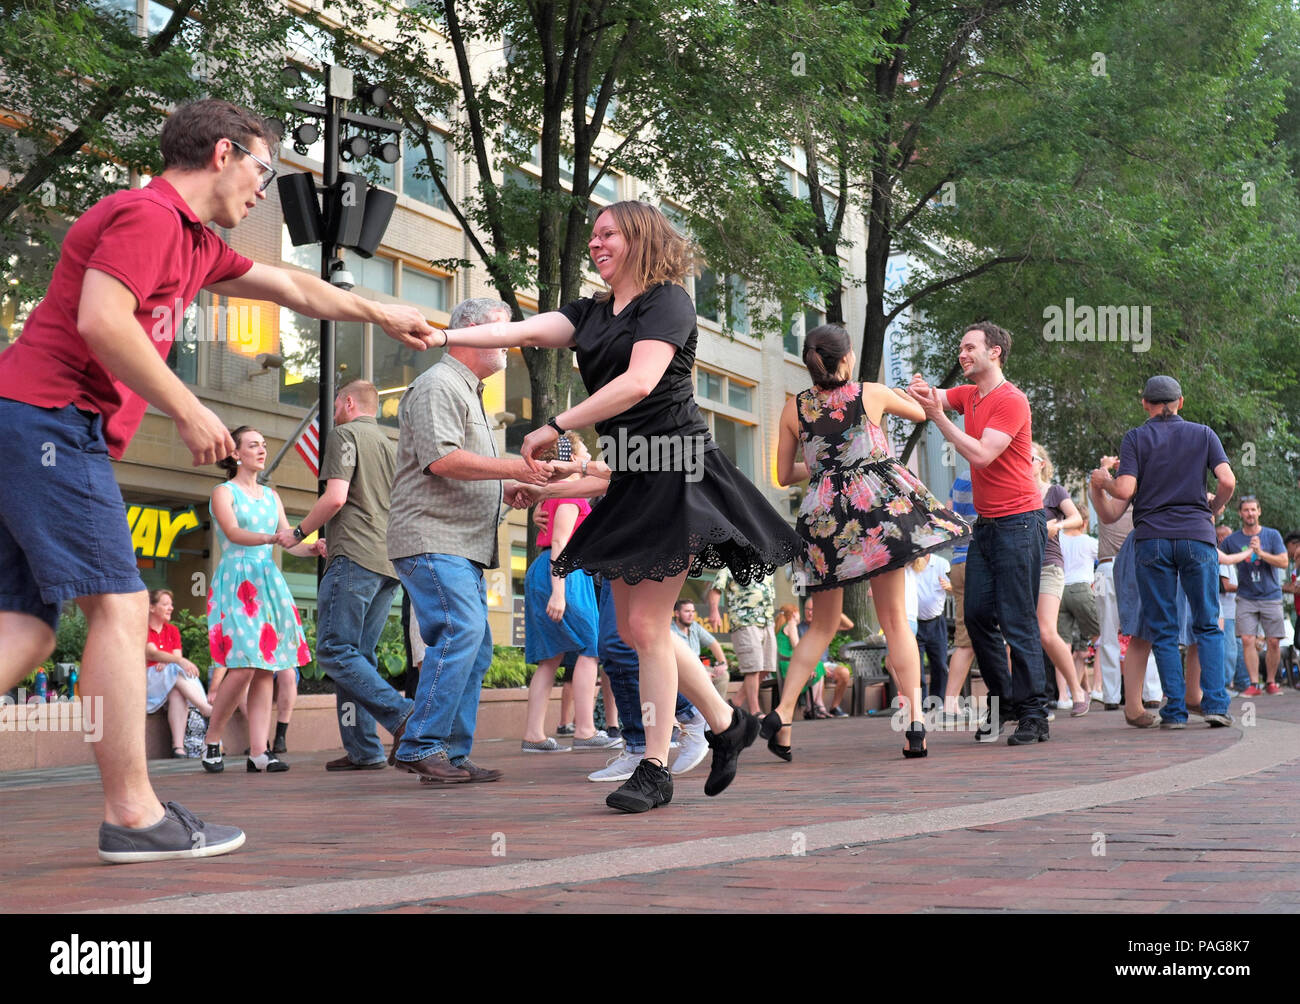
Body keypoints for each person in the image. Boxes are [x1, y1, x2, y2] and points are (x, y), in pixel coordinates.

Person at [0, 99, 435, 862]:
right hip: (52, 420)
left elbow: (297, 289)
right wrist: (190, 408)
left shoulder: (197, 242)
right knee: (124, 605)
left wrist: (383, 313)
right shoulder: (150, 217)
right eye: (263, 171)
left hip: (25, 421)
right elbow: (105, 320)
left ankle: (133, 813)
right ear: (224, 153)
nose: (265, 190)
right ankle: (132, 816)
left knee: (27, 629)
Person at [451, 200, 801, 813]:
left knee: (644, 627)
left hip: (675, 468)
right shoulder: (588, 313)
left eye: (607, 232)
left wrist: (554, 423)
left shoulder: (667, 302)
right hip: (630, 474)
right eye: (592, 235)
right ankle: (727, 722)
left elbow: (640, 383)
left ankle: (655, 765)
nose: (596, 243)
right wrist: (445, 334)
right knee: (644, 628)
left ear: (638, 238)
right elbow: (523, 330)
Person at [768, 323, 969, 761]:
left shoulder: (792, 409)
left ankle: (782, 713)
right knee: (896, 621)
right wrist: (917, 389)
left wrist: (825, 465)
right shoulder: (870, 393)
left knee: (821, 626)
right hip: (876, 513)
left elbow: (784, 476)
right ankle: (915, 723)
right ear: (846, 358)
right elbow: (923, 413)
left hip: (823, 517)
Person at [386, 298, 545, 785]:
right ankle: (420, 744)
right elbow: (442, 461)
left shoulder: (466, 390)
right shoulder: (438, 384)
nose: (510, 340)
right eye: (502, 329)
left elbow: (463, 465)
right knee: (462, 633)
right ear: (470, 330)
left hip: (460, 543)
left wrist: (505, 488)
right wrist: (516, 468)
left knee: (473, 647)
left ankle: (450, 755)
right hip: (434, 537)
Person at [908, 322, 1050, 746]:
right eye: (960, 347)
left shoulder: (1011, 400)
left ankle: (1034, 715)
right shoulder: (969, 395)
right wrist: (914, 391)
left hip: (1021, 522)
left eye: (970, 347)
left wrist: (937, 418)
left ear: (995, 353)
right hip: (987, 526)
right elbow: (929, 400)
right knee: (975, 617)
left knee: (1017, 619)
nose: (962, 354)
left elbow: (983, 454)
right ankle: (1005, 699)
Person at [1091, 375, 1236, 728]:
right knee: (1207, 624)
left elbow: (1124, 489)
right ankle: (1216, 705)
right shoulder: (1203, 434)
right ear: (1181, 402)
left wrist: (1102, 481)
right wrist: (1212, 508)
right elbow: (1228, 481)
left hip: (1152, 539)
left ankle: (1174, 713)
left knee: (1164, 628)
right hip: (1198, 537)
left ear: (1145, 404)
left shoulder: (1136, 438)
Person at [286, 378, 415, 772]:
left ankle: (403, 713)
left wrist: (296, 533)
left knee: (333, 649)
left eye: (337, 405)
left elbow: (336, 496)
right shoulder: (390, 446)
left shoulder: (344, 435)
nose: (335, 412)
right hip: (388, 560)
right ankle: (363, 750)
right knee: (356, 656)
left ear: (346, 403)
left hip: (354, 555)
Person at [201, 427, 323, 773]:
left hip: (267, 580)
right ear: (236, 454)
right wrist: (274, 537)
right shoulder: (222, 492)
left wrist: (311, 548)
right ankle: (212, 740)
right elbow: (234, 532)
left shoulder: (272, 496)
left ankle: (259, 752)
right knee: (242, 666)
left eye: (264, 445)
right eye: (253, 445)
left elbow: (291, 541)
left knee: (266, 666)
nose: (261, 450)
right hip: (237, 581)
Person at [521, 433, 618, 753]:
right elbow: (561, 543)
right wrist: (559, 592)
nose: (589, 453)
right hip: (564, 571)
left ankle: (534, 734)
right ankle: (586, 730)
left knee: (550, 659)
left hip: (546, 570)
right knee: (589, 650)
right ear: (569, 456)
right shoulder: (570, 498)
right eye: (583, 450)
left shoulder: (556, 495)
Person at [1031, 442, 1089, 716]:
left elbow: (1077, 517)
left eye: (1030, 458)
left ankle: (1076, 691)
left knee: (1046, 631)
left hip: (1048, 566)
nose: (1024, 462)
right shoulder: (1017, 493)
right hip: (1020, 568)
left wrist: (1058, 525)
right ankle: (1032, 701)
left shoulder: (1054, 492)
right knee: (1017, 637)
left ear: (1042, 463)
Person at [1220, 496, 1289, 697]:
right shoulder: (1233, 540)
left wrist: (1260, 553)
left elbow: (1284, 562)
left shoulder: (1272, 535)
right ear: (1240, 513)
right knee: (1248, 640)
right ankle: (1253, 684)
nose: (1250, 513)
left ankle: (1270, 682)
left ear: (1259, 512)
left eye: (1253, 509)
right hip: (1246, 596)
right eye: (1246, 510)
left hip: (1271, 595)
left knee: (1274, 641)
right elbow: (1218, 557)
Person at [145, 588, 213, 758]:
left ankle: (178, 748)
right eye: (165, 604)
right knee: (176, 667)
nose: (171, 608)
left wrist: (170, 660)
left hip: (168, 682)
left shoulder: (172, 631)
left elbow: (175, 657)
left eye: (171, 604)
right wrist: (175, 661)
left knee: (177, 692)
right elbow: (151, 653)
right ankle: (205, 708)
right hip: (146, 683)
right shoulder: (142, 629)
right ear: (152, 607)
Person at [706, 567, 776, 716]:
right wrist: (714, 611)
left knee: (767, 667)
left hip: (767, 621)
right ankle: (755, 711)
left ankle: (736, 701)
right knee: (753, 668)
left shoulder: (767, 564)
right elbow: (716, 588)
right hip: (744, 621)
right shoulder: (730, 564)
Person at [1058, 494, 1100, 699]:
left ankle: (1063, 696)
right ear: (1084, 523)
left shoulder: (1057, 539)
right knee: (1100, 638)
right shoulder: (1090, 542)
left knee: (1061, 644)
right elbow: (1103, 563)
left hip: (1059, 591)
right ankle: (1100, 687)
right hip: (1082, 589)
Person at [911, 552, 952, 707]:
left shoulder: (941, 563)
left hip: (936, 622)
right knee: (917, 666)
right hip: (916, 622)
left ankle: (938, 701)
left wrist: (950, 586)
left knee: (940, 664)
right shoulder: (910, 564)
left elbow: (958, 588)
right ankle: (920, 704)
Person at [670, 600, 730, 699]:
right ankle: (704, 711)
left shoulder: (694, 626)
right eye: (687, 611)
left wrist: (722, 663)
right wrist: (701, 673)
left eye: (693, 611)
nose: (691, 615)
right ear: (677, 613)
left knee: (722, 675)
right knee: (703, 678)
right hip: (680, 670)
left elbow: (713, 643)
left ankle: (719, 708)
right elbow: (677, 661)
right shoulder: (671, 630)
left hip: (698, 667)